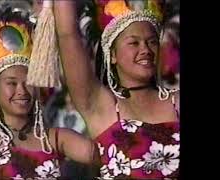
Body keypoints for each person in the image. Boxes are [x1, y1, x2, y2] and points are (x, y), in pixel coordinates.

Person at [0, 0, 99, 179]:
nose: (22, 90)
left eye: (28, 81)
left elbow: (110, 154)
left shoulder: (54, 140)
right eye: (11, 83)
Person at [54, 0, 179, 179]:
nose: (145, 49)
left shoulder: (177, 103)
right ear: (112, 55)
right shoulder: (102, 107)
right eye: (134, 43)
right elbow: (67, 35)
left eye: (152, 42)